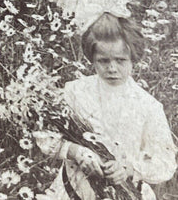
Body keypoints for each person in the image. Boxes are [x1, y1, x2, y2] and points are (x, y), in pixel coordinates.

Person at [34, 13, 176, 199]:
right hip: (74, 189)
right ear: (92, 59)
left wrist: (130, 168)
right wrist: (76, 152)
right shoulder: (75, 91)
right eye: (103, 60)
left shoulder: (148, 106)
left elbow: (165, 163)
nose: (112, 68)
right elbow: (44, 136)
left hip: (124, 192)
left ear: (134, 58)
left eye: (120, 60)